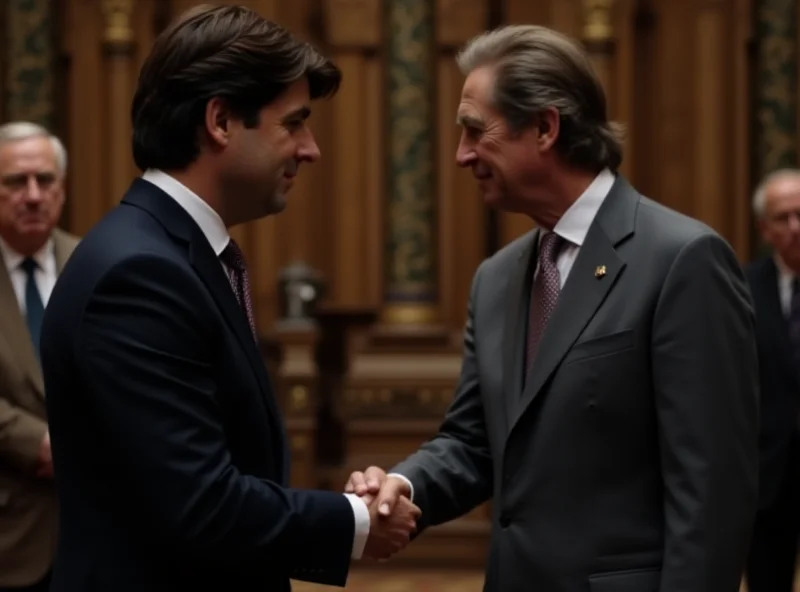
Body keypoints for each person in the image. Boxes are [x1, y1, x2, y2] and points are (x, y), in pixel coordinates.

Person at [346, 24, 759, 591]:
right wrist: (404, 484)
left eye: (475, 132)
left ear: (544, 127)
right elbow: (473, 443)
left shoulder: (682, 260)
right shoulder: (496, 279)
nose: (461, 156)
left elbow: (711, 492)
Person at [39, 6, 418, 592]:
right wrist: (356, 522)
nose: (310, 149)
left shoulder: (170, 253)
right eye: (293, 123)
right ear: (220, 120)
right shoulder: (139, 274)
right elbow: (201, 505)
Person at [0, 122, 78, 592]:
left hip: (95, 529)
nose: (32, 195)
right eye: (15, 182)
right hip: (10, 529)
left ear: (62, 190)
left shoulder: (95, 262)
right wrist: (36, 442)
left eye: (44, 181)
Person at [744, 169, 800, 592]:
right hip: (767, 475)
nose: (795, 227)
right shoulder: (741, 287)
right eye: (783, 217)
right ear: (765, 228)